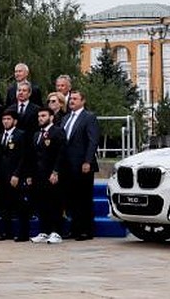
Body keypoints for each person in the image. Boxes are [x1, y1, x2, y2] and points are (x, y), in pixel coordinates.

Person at [60, 90, 99, 241]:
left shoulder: (89, 117)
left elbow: (93, 140)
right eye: (71, 99)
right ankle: (75, 229)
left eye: (75, 99)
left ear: (83, 101)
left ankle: (86, 230)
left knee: (84, 198)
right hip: (68, 166)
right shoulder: (65, 118)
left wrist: (87, 161)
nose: (71, 101)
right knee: (72, 199)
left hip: (83, 164)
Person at [28, 106, 65, 245]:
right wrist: (30, 174)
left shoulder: (57, 131)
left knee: (55, 202)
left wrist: (56, 171)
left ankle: (56, 232)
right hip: (38, 175)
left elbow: (61, 153)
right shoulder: (37, 134)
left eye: (43, 116)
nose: (40, 118)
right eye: (39, 116)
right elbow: (33, 156)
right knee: (41, 203)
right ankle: (44, 231)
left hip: (52, 174)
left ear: (51, 117)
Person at [0, 108, 29, 242]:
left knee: (19, 205)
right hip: (1, 175)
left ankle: (23, 233)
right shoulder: (0, 135)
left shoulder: (21, 135)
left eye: (8, 119)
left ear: (15, 121)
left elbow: (23, 157)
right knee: (4, 205)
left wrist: (17, 174)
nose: (6, 122)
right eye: (4, 119)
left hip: (15, 175)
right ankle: (6, 232)